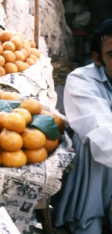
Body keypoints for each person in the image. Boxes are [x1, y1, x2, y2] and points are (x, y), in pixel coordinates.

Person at [56, 19, 112, 233]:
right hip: (98, 160)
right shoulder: (81, 79)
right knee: (94, 144)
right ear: (97, 58)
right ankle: (88, 219)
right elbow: (102, 130)